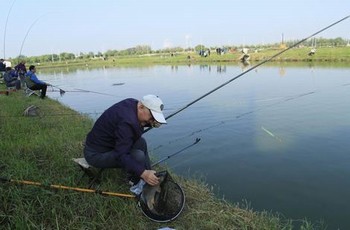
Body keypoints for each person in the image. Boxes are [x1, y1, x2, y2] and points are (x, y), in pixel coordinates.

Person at [84, 95, 167, 186]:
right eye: (152, 116)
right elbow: (121, 155)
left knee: (141, 142)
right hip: (95, 154)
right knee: (137, 156)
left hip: (108, 144)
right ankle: (135, 182)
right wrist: (142, 173)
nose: (152, 119)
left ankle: (150, 177)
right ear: (141, 107)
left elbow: (134, 129)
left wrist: (151, 123)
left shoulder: (132, 103)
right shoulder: (127, 122)